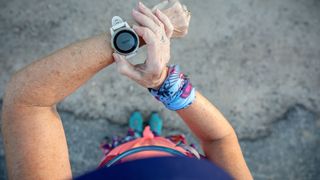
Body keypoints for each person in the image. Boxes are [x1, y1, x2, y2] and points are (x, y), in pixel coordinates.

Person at [1, 1, 253, 180]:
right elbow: (220, 141)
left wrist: (135, 34)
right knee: (152, 138)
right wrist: (163, 83)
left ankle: (132, 138)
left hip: (121, 156)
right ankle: (146, 135)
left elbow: (29, 102)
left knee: (129, 144)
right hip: (175, 151)